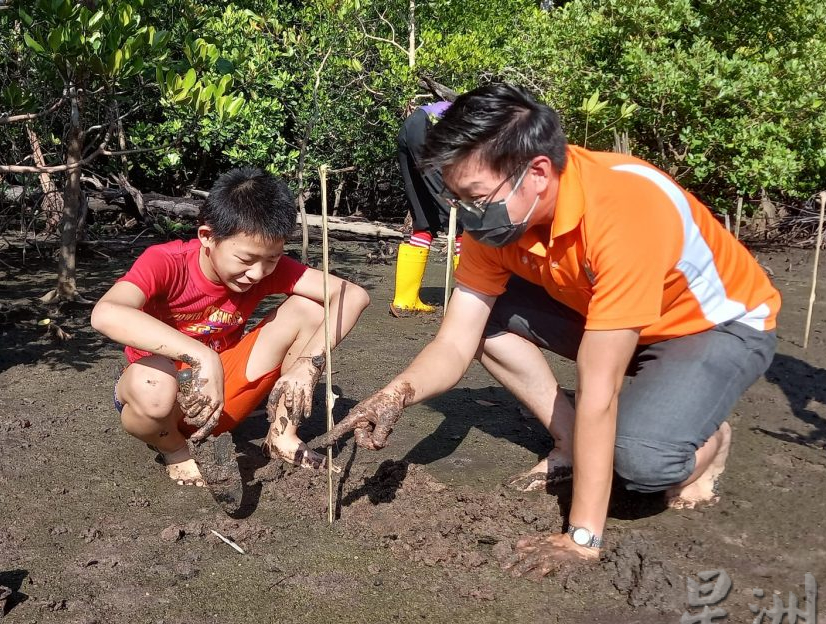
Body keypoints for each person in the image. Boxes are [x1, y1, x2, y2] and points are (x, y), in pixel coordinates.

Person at [319, 84, 781, 578]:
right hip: (605, 311)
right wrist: (394, 395)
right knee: (489, 320)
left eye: (476, 198)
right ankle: (567, 442)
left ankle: (707, 439)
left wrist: (582, 537)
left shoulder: (624, 209)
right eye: (457, 199)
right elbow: (455, 341)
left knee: (641, 464)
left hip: (709, 327)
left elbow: (599, 389)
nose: (467, 214)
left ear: (537, 172)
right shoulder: (494, 223)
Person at [91, 167, 370, 486]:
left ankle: (282, 437)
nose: (258, 273)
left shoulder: (265, 267)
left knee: (309, 308)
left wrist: (309, 363)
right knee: (150, 384)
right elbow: (105, 313)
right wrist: (202, 356)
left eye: (272, 259)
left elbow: (353, 295)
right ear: (207, 237)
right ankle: (175, 450)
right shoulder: (166, 261)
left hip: (223, 395)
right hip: (160, 402)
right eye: (246, 259)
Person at [390, 100, 462, 316]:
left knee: (424, 218)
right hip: (428, 129)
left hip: (410, 127)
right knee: (464, 219)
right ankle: (470, 304)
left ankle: (405, 300)